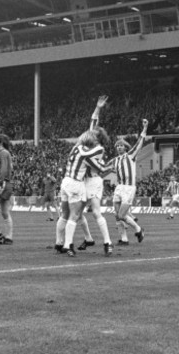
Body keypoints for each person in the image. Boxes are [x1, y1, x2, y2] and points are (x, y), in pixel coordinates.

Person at [74, 95, 115, 255]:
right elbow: (93, 121)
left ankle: (107, 242)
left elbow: (99, 168)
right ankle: (90, 239)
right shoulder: (93, 144)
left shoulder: (96, 148)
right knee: (77, 214)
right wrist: (98, 107)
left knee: (95, 212)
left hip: (92, 181)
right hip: (85, 181)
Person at [109, 119, 148, 245]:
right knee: (117, 215)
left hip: (129, 188)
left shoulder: (130, 155)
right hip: (119, 188)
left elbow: (139, 144)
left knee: (121, 215)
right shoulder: (115, 160)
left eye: (121, 145)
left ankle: (138, 229)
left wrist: (145, 128)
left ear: (125, 147)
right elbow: (103, 168)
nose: (119, 147)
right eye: (117, 146)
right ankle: (123, 238)